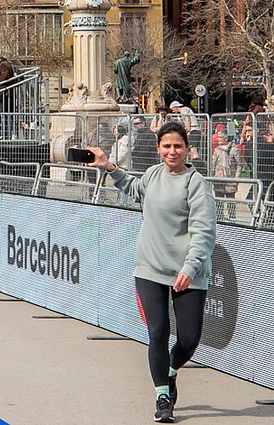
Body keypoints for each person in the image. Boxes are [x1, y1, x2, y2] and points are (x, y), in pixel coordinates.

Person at [87, 122, 216, 423]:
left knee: (189, 340)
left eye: (178, 146)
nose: (172, 151)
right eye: (167, 146)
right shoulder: (153, 174)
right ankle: (162, 397)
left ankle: (171, 370)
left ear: (187, 149)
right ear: (158, 148)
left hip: (187, 273)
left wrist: (190, 267)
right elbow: (134, 190)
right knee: (158, 332)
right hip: (150, 268)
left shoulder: (196, 183)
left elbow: (204, 232)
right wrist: (108, 166)